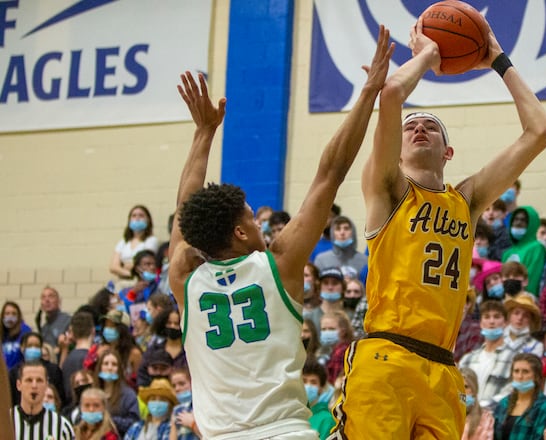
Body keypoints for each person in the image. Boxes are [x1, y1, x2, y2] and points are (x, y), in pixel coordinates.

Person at [331, 16, 546, 437]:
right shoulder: (388, 190)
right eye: (410, 126)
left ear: (447, 151)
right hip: (386, 358)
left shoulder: (465, 201)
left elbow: (540, 130)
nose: (417, 128)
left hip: (443, 368)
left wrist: (499, 61)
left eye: (429, 126)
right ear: (396, 153)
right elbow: (393, 92)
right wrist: (429, 55)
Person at [167, 27, 394, 439]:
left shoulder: (185, 279)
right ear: (239, 231)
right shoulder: (279, 264)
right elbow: (331, 173)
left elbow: (185, 213)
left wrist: (203, 133)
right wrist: (369, 92)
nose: (260, 224)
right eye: (253, 218)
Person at [459, 301, 519, 409]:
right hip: (466, 417)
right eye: (487, 317)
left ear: (505, 323)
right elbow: (458, 390)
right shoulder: (467, 359)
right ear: (481, 323)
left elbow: (511, 390)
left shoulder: (514, 358)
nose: (492, 321)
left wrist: (483, 409)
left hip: (494, 417)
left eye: (496, 317)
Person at [493, 353, 546, 439]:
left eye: (525, 372)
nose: (520, 376)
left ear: (536, 376)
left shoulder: (545, 406)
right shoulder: (503, 403)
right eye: (516, 371)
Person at [12, 361, 75, 440]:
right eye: (29, 380)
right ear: (19, 385)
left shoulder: (62, 427)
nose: (34, 386)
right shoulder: (6, 421)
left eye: (39, 380)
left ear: (46, 385)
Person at [9, 332, 66, 405]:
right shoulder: (14, 372)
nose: (33, 348)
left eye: (37, 346)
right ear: (22, 347)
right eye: (29, 346)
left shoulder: (53, 370)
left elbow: (61, 397)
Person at [501, 205, 546, 295]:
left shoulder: (537, 248)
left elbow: (532, 279)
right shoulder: (507, 253)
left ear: (532, 224)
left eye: (523, 220)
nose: (518, 223)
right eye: (515, 219)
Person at [94, 349, 140, 436]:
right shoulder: (92, 392)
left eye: (114, 364)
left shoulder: (128, 395)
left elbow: (134, 423)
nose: (110, 368)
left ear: (119, 369)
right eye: (106, 364)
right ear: (100, 367)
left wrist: (110, 420)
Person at [109, 205, 159, 280]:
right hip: (123, 280)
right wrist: (131, 273)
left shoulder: (151, 240)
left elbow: (145, 264)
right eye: (134, 215)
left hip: (142, 281)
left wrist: (123, 266)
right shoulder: (123, 242)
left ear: (148, 220)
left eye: (141, 215)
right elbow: (113, 267)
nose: (137, 218)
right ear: (129, 220)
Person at [302, 360, 334, 440]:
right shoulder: (291, 414)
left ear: (321, 388)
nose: (308, 386)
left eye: (313, 382)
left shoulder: (327, 420)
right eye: (304, 381)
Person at [460, 367, 495, 440]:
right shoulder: (445, 415)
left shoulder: (486, 418)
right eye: (458, 386)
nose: (461, 391)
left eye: (466, 387)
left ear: (474, 390)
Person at [169, 368, 199, 440]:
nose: (177, 388)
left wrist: (192, 424)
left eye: (181, 384)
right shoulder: (176, 409)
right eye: (174, 386)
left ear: (192, 383)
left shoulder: (201, 406)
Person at [3, 300, 32, 370]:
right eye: (7, 313)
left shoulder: (25, 331)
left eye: (14, 314)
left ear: (18, 316)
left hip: (18, 372)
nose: (10, 316)